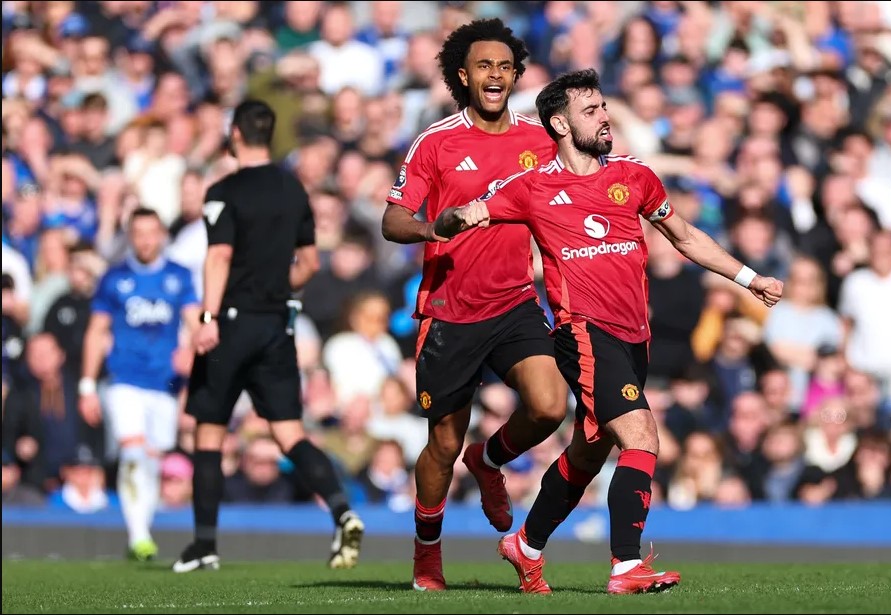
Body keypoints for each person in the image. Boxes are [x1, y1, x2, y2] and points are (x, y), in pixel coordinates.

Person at [434, 69, 784, 594]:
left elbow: (684, 236)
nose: (604, 118)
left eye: (603, 108)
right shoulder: (532, 187)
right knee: (642, 435)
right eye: (591, 110)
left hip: (632, 339)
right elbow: (472, 211)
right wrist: (456, 218)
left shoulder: (635, 176)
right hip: (583, 334)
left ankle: (524, 544)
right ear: (559, 122)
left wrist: (749, 279)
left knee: (588, 453)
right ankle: (626, 566)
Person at [380, 18, 569, 591]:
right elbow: (392, 220)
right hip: (450, 311)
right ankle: (426, 553)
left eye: (505, 66)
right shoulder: (436, 141)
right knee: (441, 443)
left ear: (516, 75)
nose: (496, 75)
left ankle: (487, 461)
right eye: (484, 66)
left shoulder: (542, 141)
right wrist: (430, 227)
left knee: (548, 406)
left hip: (514, 301)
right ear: (463, 75)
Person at [172, 100, 364, 573]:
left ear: (235, 133)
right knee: (289, 432)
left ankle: (204, 544)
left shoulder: (223, 191)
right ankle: (342, 510)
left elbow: (217, 258)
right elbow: (311, 264)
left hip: (232, 322)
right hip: (278, 325)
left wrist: (207, 318)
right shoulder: (294, 190)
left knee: (210, 433)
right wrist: (278, 288)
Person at [79, 207, 200, 561]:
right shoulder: (115, 279)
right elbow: (96, 331)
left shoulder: (179, 277)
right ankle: (139, 535)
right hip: (125, 381)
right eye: (139, 233)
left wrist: (194, 356)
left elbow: (196, 325)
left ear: (162, 234)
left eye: (152, 232)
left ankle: (141, 527)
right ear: (130, 237)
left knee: (151, 459)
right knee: (132, 453)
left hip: (164, 384)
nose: (146, 240)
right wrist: (87, 385)